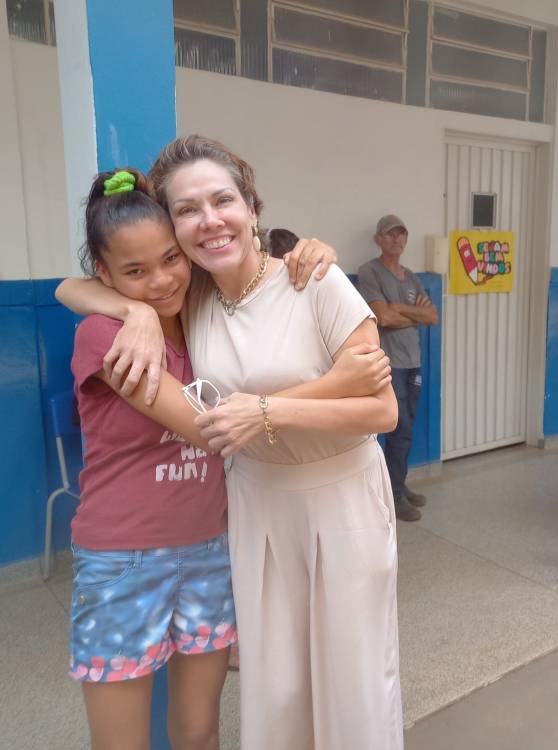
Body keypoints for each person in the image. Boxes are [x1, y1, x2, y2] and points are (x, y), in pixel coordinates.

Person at [57, 136, 404, 750]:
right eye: (188, 210)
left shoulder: (291, 284)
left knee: (347, 679)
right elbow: (73, 287)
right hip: (220, 521)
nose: (208, 219)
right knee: (276, 684)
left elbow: (380, 407)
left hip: (301, 515)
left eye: (223, 199)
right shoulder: (179, 302)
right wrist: (131, 312)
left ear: (252, 205)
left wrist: (273, 407)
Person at [66, 168, 236, 750]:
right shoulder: (102, 333)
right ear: (105, 275)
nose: (162, 280)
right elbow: (204, 428)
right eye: (135, 272)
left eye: (171, 258)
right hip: (123, 562)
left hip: (209, 551)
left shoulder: (203, 321)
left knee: (200, 732)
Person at [357, 215, 438, 522]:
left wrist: (399, 308)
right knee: (398, 427)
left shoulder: (411, 276)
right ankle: (393, 494)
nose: (397, 241)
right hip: (388, 363)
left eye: (402, 235)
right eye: (390, 236)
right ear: (379, 239)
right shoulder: (370, 271)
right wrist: (411, 313)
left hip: (413, 360)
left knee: (407, 426)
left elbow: (432, 317)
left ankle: (398, 485)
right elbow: (382, 317)